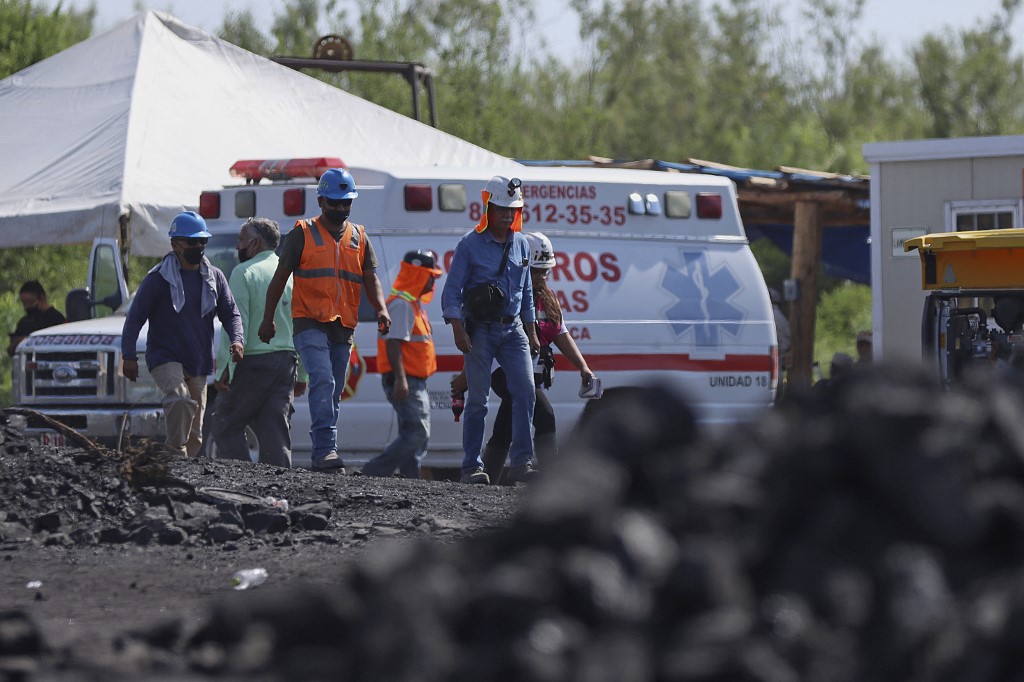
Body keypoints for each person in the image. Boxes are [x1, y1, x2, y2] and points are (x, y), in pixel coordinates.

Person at [258, 168, 390, 473]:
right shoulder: (301, 234)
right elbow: (279, 279)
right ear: (321, 201)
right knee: (323, 378)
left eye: (347, 202)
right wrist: (268, 319)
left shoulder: (359, 236)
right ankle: (326, 449)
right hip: (308, 321)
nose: (341, 208)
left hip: (342, 325)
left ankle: (322, 453)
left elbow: (371, 279)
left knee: (334, 388)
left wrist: (381, 309)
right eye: (335, 202)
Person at [452, 231, 597, 484]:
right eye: (536, 271)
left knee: (506, 426)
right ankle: (554, 482)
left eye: (545, 271)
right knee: (545, 412)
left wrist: (583, 367)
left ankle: (487, 481)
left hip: (531, 370)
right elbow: (485, 343)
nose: (541, 277)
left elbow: (561, 335)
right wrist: (465, 379)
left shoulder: (548, 301)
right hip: (501, 370)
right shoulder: (508, 298)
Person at [441, 175, 541, 485]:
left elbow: (525, 294)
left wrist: (532, 330)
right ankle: (472, 467)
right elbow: (451, 293)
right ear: (489, 209)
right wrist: (459, 330)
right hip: (479, 331)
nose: (508, 216)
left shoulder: (522, 244)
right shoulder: (470, 244)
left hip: (513, 332)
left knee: (525, 392)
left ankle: (522, 462)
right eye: (501, 210)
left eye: (513, 211)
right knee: (478, 401)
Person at [121, 211, 243, 458]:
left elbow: (230, 313)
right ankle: (174, 452)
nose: (198, 247)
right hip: (165, 356)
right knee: (178, 398)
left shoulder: (214, 277)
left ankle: (186, 469)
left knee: (196, 428)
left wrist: (237, 339)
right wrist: (129, 355)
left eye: (202, 242)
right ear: (175, 244)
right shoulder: (158, 279)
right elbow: (135, 318)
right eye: (192, 242)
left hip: (198, 358)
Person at [210, 218, 307, 467]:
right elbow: (303, 325)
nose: (237, 245)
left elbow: (236, 322)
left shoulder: (244, 273)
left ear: (254, 243)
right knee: (274, 430)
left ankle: (242, 482)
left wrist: (224, 368)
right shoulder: (291, 275)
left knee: (225, 423)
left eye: (241, 240)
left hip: (251, 362)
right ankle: (278, 492)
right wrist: (303, 374)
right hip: (286, 363)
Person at [361, 250, 442, 479]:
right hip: (406, 379)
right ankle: (372, 472)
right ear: (417, 275)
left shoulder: (411, 304)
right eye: (430, 276)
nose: (433, 281)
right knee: (417, 433)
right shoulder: (401, 305)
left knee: (413, 434)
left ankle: (411, 480)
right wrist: (401, 379)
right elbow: (393, 343)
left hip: (414, 379)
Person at [7, 280, 67, 356]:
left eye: (30, 302)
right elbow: (11, 350)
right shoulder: (24, 322)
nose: (26, 306)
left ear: (41, 298)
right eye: (24, 303)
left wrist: (28, 341)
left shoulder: (56, 319)